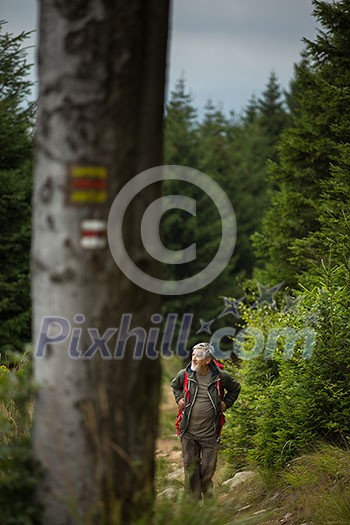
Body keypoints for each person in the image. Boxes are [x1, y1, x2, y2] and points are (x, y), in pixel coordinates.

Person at [171, 342, 241, 500]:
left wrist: (227, 403)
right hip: (188, 431)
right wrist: (179, 398)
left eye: (198, 356)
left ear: (208, 360)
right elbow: (175, 386)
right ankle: (194, 505)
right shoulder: (185, 374)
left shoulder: (221, 377)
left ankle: (206, 490)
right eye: (193, 354)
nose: (194, 358)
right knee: (190, 468)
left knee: (207, 470)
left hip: (210, 433)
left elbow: (235, 388)